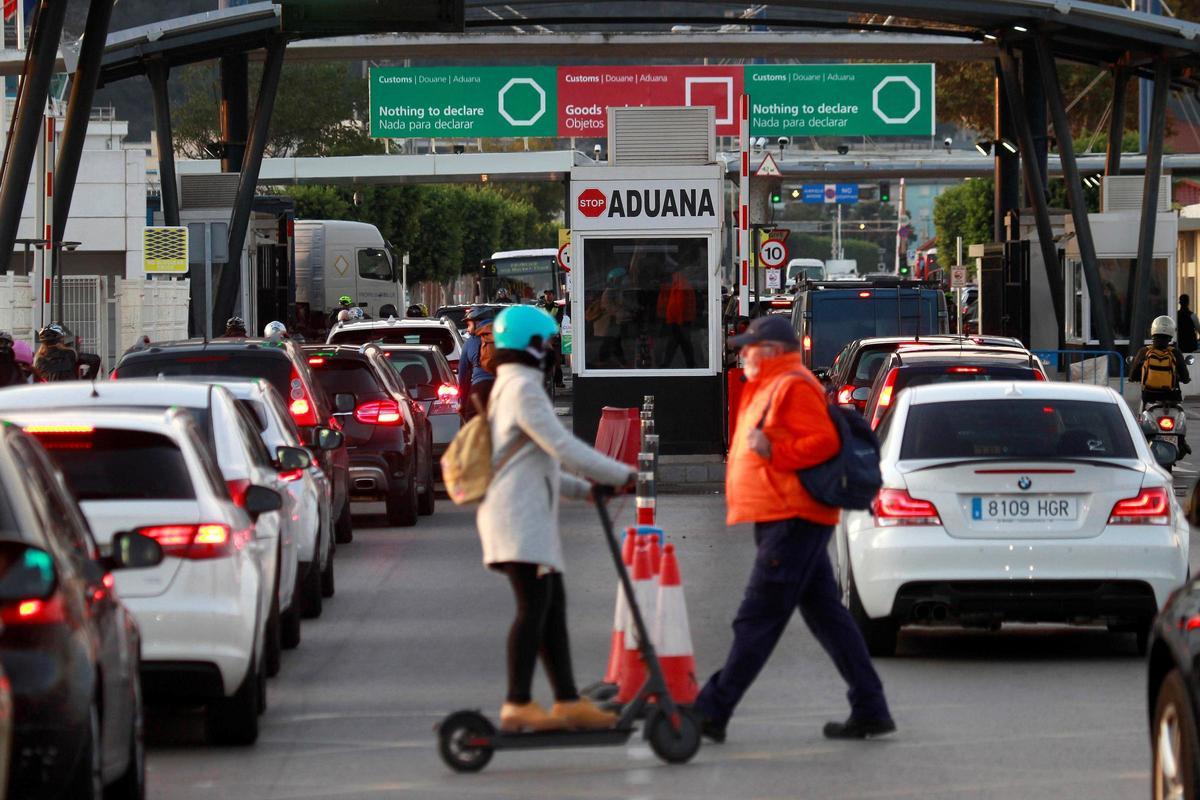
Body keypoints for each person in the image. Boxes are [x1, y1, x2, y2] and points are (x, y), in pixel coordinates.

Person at [692, 314, 895, 743]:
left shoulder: (792, 384)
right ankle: (871, 706)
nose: (741, 353)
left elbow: (823, 441)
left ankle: (712, 709)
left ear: (770, 352)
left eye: (748, 347)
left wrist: (775, 450)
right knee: (827, 617)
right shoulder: (771, 384)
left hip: (793, 518)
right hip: (785, 515)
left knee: (758, 617)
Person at [477, 304, 636, 732]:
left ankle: (566, 700)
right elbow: (563, 447)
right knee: (534, 608)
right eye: (546, 343)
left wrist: (589, 491)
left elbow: (535, 463)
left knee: (551, 607)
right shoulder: (523, 390)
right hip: (518, 519)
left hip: (522, 514)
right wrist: (622, 474)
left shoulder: (514, 386)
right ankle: (518, 702)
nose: (551, 351)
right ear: (529, 346)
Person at [1131, 315, 1191, 410]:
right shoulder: (1175, 353)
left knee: (1141, 418)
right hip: (1171, 397)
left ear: (1153, 332)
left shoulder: (1144, 351)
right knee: (1179, 416)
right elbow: (1185, 376)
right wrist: (1186, 379)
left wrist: (1133, 378)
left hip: (1149, 396)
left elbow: (1133, 375)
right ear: (1171, 334)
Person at [458, 306, 497, 421]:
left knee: (471, 424)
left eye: (469, 325)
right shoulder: (503, 337)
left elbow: (463, 376)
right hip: (502, 387)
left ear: (478, 322)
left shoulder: (470, 343)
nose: (468, 330)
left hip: (480, 388)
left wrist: (464, 402)